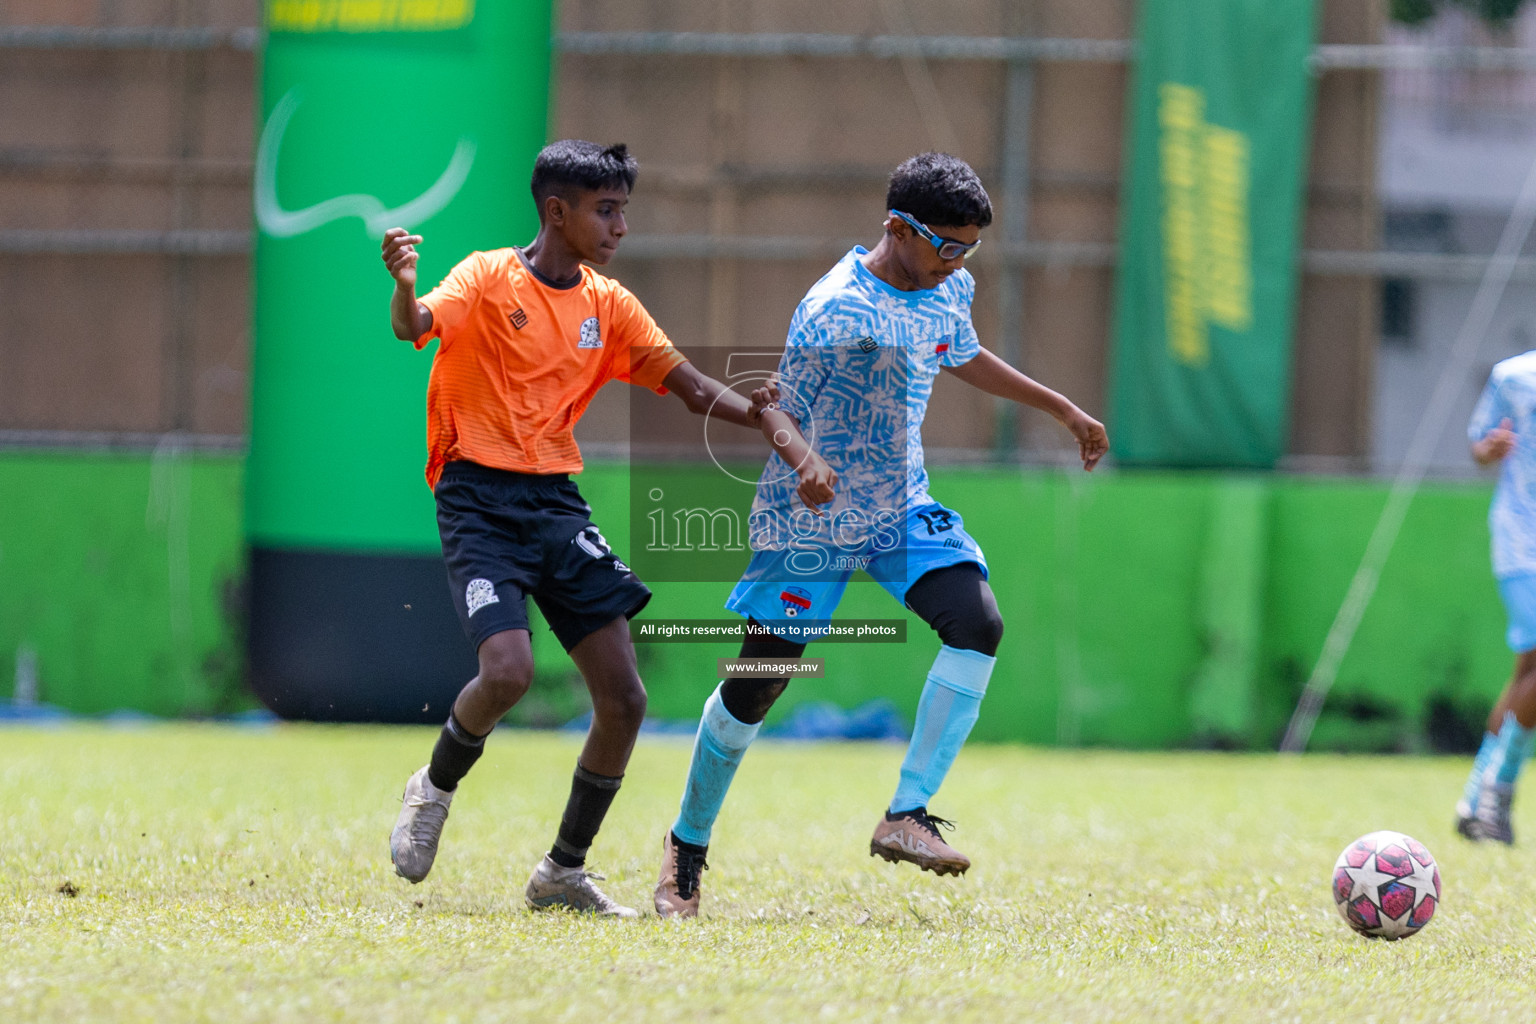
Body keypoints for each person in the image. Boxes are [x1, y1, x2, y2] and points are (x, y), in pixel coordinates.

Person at [652, 152, 1110, 918]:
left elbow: (958, 352)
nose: (959, 263)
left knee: (977, 624)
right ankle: (685, 850)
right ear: (897, 228)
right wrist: (805, 463)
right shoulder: (834, 308)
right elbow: (776, 407)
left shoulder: (947, 286)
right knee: (758, 685)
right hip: (814, 512)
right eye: (947, 245)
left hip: (901, 506)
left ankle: (907, 814)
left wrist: (1060, 407)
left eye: (970, 249)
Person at [380, 140, 793, 916]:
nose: (621, 226)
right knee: (507, 673)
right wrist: (403, 287)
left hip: (555, 504)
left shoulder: (610, 305)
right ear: (556, 212)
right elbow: (415, 327)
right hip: (477, 499)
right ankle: (432, 789)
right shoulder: (486, 276)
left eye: (623, 210)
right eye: (607, 211)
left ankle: (562, 871)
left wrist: (761, 416)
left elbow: (692, 386)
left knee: (625, 699)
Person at [1456, 351, 1536, 844]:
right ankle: (1497, 794)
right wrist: (1492, 448)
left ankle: (1476, 798)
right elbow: (1478, 448)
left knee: (1527, 673)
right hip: (1522, 543)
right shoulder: (1514, 376)